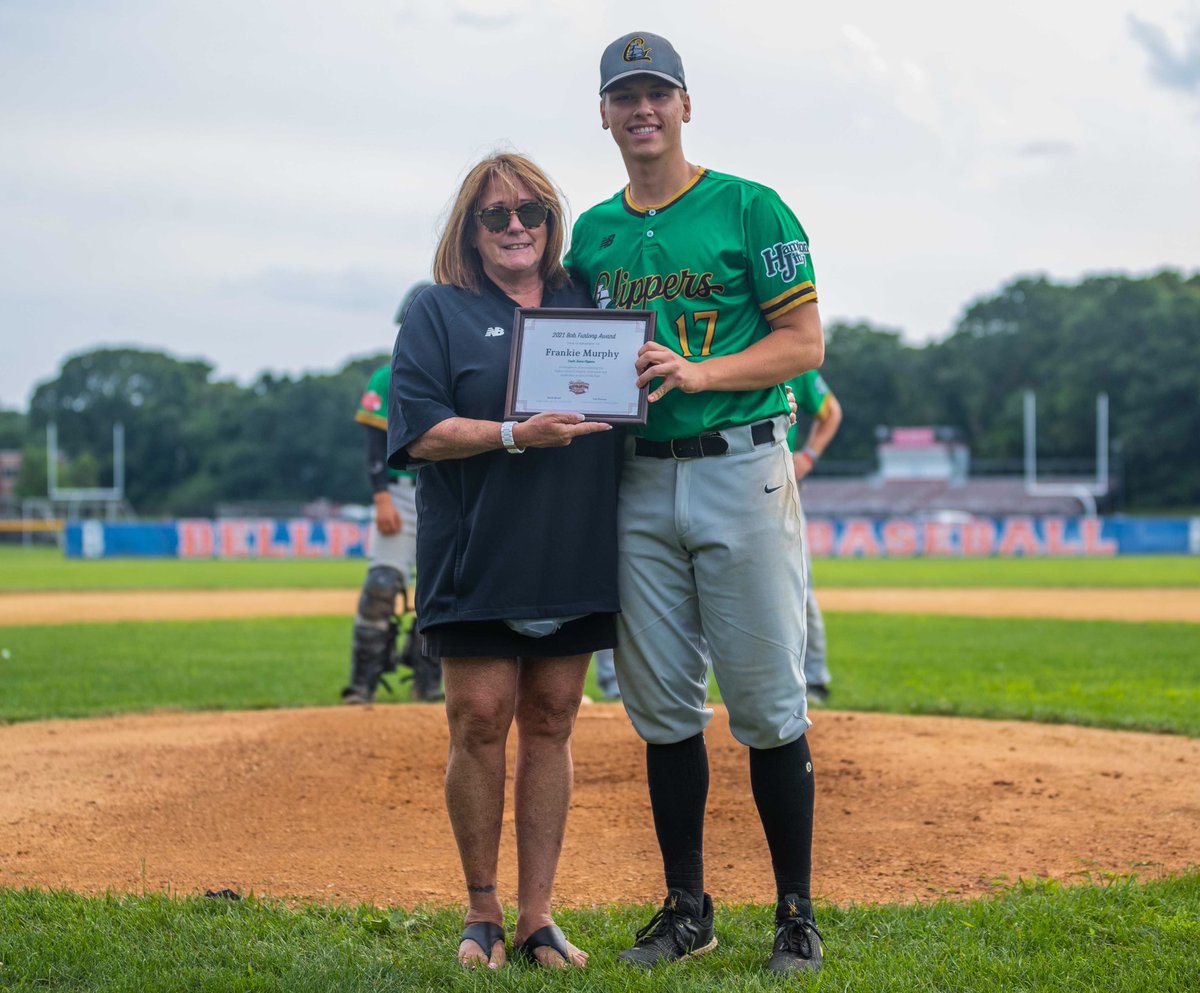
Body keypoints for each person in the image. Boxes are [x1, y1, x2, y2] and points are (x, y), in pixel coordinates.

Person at [565, 31, 827, 974]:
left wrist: (702, 370)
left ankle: (795, 913)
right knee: (663, 705)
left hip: (740, 462)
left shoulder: (749, 207)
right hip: (636, 476)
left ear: (685, 104)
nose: (642, 109)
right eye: (623, 95)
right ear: (602, 113)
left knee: (765, 701)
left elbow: (804, 343)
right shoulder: (590, 233)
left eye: (657, 92)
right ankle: (687, 908)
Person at [386, 153, 621, 970]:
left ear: (553, 222)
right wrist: (516, 433)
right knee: (480, 717)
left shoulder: (588, 300)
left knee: (554, 717)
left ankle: (538, 915)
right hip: (476, 548)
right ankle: (481, 910)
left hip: (574, 541)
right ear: (471, 229)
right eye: (497, 216)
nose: (516, 226)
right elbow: (418, 431)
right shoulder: (437, 310)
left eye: (531, 212)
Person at [341, 280, 443, 705]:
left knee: (440, 592)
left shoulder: (460, 371)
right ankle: (362, 684)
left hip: (447, 490)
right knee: (383, 584)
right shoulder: (387, 377)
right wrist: (380, 495)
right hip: (400, 492)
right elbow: (372, 447)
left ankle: (428, 682)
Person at [787, 370, 843, 703]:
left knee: (800, 588)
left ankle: (816, 678)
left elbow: (831, 411)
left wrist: (808, 455)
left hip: (778, 485)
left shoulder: (791, 355)